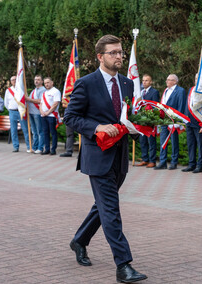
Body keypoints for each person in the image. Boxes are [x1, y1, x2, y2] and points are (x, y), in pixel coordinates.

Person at [64, 34, 147, 283]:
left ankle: (79, 240)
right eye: (114, 53)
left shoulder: (127, 84)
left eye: (121, 52)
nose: (119, 56)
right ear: (100, 56)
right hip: (97, 157)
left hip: (119, 156)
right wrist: (97, 127)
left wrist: (142, 124)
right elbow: (70, 117)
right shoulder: (86, 83)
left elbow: (127, 116)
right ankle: (123, 265)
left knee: (103, 206)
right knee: (111, 210)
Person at [154, 74, 186, 170]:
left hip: (173, 120)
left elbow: (181, 106)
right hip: (164, 119)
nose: (167, 81)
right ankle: (162, 162)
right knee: (163, 141)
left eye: (169, 80)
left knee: (174, 141)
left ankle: (174, 162)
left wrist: (177, 121)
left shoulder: (180, 91)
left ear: (175, 81)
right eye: (167, 79)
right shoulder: (166, 90)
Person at [181, 74, 202, 173]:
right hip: (189, 122)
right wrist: (184, 119)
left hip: (199, 122)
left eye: (198, 78)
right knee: (191, 144)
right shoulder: (191, 89)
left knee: (201, 145)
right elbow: (187, 105)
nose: (196, 80)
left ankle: (200, 165)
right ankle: (191, 164)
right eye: (195, 78)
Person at [135, 74, 160, 168]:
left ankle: (152, 161)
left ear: (151, 82)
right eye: (143, 80)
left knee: (151, 142)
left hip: (150, 121)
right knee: (143, 141)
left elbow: (155, 106)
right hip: (142, 121)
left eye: (146, 80)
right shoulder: (141, 92)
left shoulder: (154, 92)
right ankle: (145, 159)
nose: (144, 82)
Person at [4, 76, 30, 153]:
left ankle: (29, 146)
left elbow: (26, 100)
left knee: (25, 129)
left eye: (16, 79)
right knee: (13, 130)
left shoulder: (22, 89)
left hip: (21, 111)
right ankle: (15, 146)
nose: (14, 81)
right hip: (12, 111)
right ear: (11, 82)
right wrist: (11, 109)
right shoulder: (8, 90)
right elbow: (6, 102)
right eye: (13, 80)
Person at [40, 77, 61, 155]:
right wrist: (42, 112)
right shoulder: (44, 93)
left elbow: (55, 104)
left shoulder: (56, 91)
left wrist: (48, 112)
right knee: (45, 132)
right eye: (45, 83)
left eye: (48, 82)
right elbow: (41, 104)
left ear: (52, 82)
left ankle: (53, 149)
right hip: (44, 115)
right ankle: (47, 149)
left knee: (53, 132)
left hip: (51, 115)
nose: (46, 84)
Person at [25, 75, 46, 154]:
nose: (36, 81)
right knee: (34, 131)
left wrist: (29, 99)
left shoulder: (43, 90)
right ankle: (35, 147)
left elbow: (40, 101)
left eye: (38, 80)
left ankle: (40, 148)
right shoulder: (34, 90)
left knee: (40, 131)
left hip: (37, 113)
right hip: (31, 113)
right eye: (35, 80)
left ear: (41, 81)